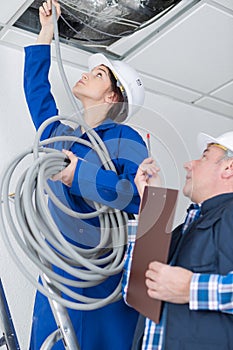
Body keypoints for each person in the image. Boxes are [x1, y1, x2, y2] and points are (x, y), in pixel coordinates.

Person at [23, 1, 148, 349]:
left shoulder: (125, 139)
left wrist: (79, 175)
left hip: (97, 271)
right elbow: (37, 95)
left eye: (97, 75)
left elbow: (138, 196)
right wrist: (46, 31)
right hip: (58, 265)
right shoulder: (63, 136)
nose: (85, 74)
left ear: (112, 96)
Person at [123, 131, 233, 350]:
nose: (188, 164)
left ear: (228, 168)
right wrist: (154, 204)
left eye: (204, 157)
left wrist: (191, 288)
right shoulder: (182, 231)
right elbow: (135, 293)